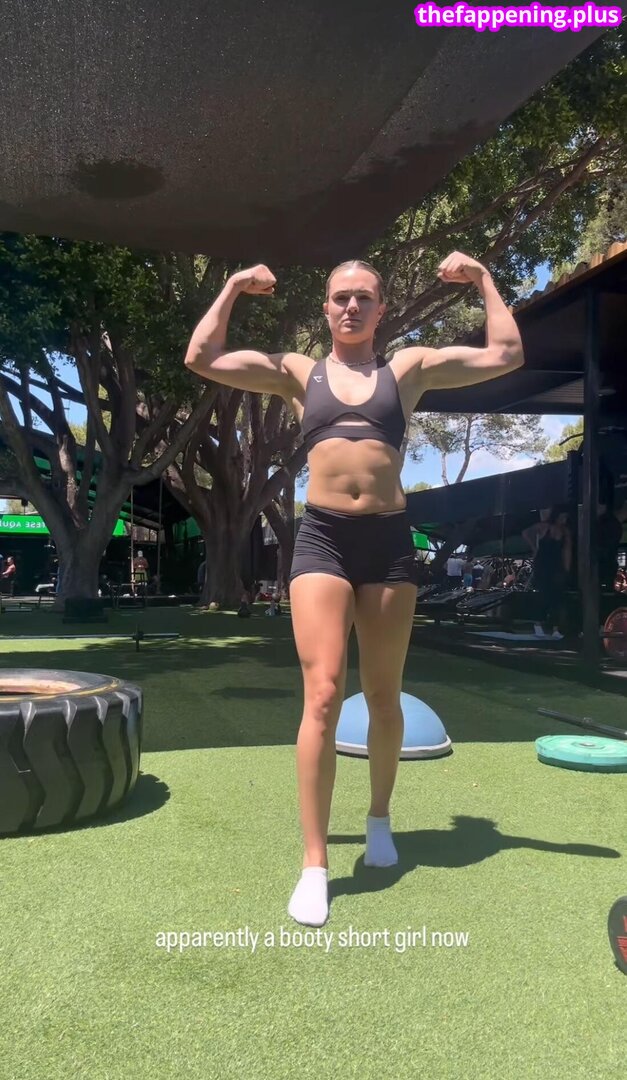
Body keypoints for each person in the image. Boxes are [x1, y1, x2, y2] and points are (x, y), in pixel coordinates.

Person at [184, 250, 524, 927]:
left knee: (382, 696)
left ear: (380, 309)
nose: (351, 306)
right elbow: (202, 356)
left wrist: (484, 279)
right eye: (340, 296)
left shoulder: (407, 369)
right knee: (320, 694)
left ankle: (377, 820)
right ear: (326, 308)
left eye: (363, 297)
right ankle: (314, 864)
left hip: (389, 543)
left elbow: (506, 354)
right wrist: (233, 286)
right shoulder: (297, 372)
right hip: (323, 540)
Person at [522, 508, 571, 639]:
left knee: (556, 597)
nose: (564, 519)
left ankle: (555, 628)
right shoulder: (544, 527)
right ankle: (538, 625)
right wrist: (534, 547)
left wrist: (566, 569)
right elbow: (525, 533)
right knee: (542, 595)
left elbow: (567, 551)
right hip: (543, 564)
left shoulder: (565, 531)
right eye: (562, 517)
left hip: (555, 565)